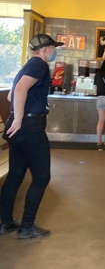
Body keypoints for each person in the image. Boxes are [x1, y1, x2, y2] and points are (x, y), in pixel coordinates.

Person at [0, 33, 64, 239]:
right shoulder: (40, 65)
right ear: (45, 49)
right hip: (30, 127)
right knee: (42, 177)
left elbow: (11, 95)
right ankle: (27, 227)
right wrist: (19, 118)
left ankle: (5, 222)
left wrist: (16, 119)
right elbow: (19, 90)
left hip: (19, 128)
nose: (54, 52)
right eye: (53, 48)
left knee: (15, 176)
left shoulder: (26, 66)